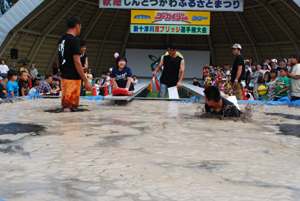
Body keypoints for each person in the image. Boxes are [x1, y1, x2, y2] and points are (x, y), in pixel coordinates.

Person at [58, 16, 92, 112]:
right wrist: (85, 80)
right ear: (77, 26)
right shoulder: (75, 41)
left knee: (65, 105)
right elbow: (77, 62)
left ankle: (65, 126)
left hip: (64, 77)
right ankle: (70, 127)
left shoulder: (62, 40)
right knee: (70, 107)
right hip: (73, 78)